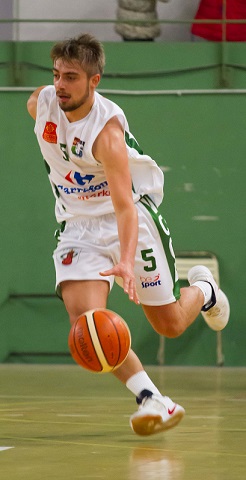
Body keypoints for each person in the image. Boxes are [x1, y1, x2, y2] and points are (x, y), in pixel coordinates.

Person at [27, 33, 230, 437]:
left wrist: (125, 259)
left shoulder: (107, 135)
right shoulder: (40, 103)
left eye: (71, 77)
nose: (61, 85)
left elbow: (123, 206)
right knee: (88, 323)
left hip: (129, 219)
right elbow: (45, 114)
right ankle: (153, 399)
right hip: (77, 226)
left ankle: (204, 291)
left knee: (169, 324)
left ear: (94, 80)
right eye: (56, 75)